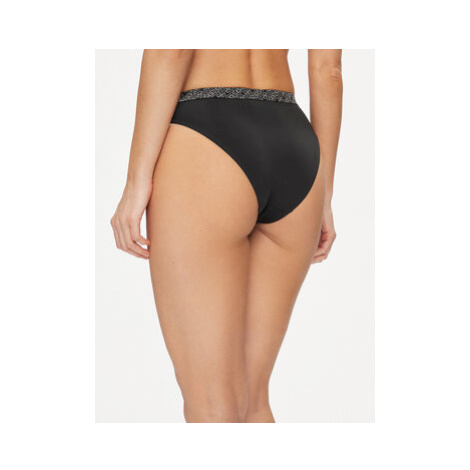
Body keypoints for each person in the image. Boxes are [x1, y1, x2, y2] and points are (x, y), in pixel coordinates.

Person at [111, 49, 342, 422]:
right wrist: (324, 194)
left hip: (208, 135)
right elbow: (328, 70)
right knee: (253, 401)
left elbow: (172, 50)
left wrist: (137, 180)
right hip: (294, 143)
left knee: (212, 403)